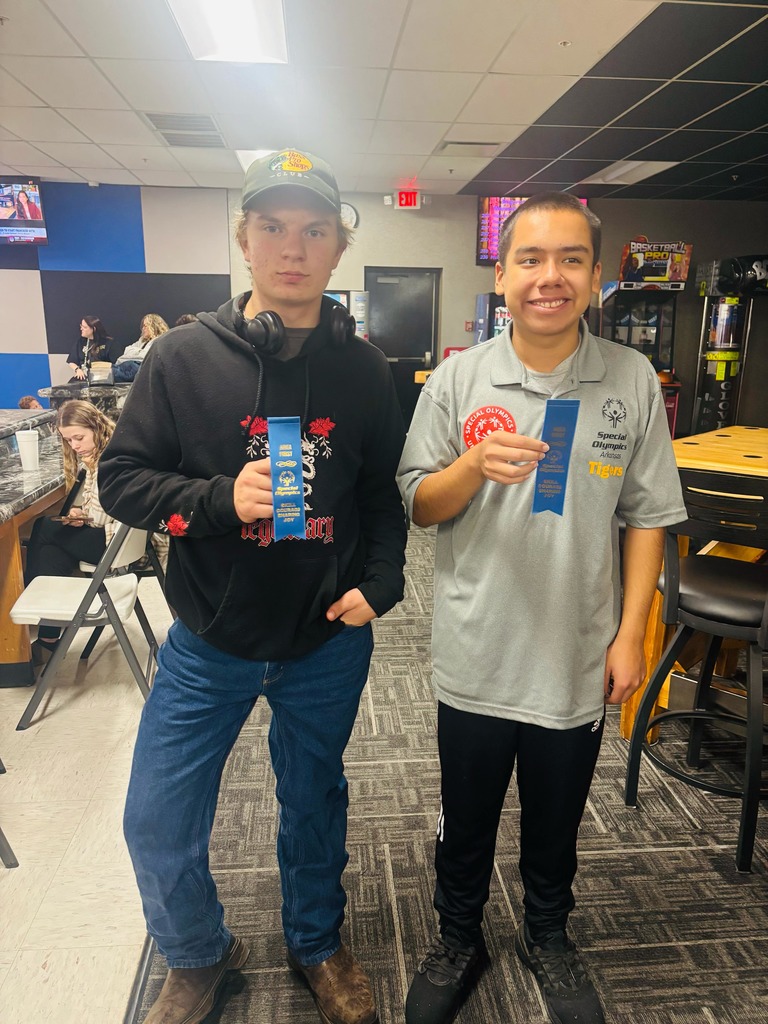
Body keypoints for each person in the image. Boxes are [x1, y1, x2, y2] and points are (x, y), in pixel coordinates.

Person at [98, 148, 407, 1024]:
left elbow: (383, 492)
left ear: (339, 249)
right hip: (210, 638)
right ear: (243, 239)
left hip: (325, 637)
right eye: (272, 227)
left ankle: (316, 940)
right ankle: (199, 954)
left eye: (315, 230)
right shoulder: (179, 359)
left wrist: (380, 584)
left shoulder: (365, 371)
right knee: (155, 820)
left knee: (314, 805)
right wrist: (215, 499)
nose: (294, 248)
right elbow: (121, 482)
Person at [397, 193, 686, 1024]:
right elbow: (420, 505)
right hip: (477, 650)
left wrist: (631, 635)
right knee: (467, 821)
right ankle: (460, 937)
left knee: (556, 821)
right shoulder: (459, 378)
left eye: (569, 260)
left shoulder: (631, 378)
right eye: (530, 259)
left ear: (596, 277)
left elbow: (648, 519)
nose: (548, 277)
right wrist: (473, 465)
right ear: (502, 274)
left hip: (575, 653)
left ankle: (548, 936)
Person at [24, 400, 116, 664]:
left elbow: (103, 515)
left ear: (96, 427)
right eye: (69, 439)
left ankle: (39, 612)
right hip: (113, 537)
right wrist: (80, 514)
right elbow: (100, 508)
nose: (74, 445)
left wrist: (85, 517)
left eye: (79, 437)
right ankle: (49, 635)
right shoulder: (99, 455)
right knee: (53, 547)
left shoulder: (109, 461)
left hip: (115, 544)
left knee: (43, 528)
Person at [113, 313, 169, 382]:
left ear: (154, 327)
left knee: (126, 368)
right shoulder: (142, 341)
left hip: (143, 370)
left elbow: (145, 356)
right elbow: (127, 350)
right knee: (108, 369)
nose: (143, 329)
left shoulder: (160, 341)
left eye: (145, 326)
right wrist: (139, 352)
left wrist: (134, 352)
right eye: (143, 326)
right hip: (129, 366)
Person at [67, 316, 116, 381]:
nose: (81, 329)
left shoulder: (109, 343)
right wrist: (77, 370)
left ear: (94, 329)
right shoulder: (81, 341)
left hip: (101, 379)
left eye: (84, 327)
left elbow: (117, 366)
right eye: (81, 326)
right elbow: (71, 361)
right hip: (84, 376)